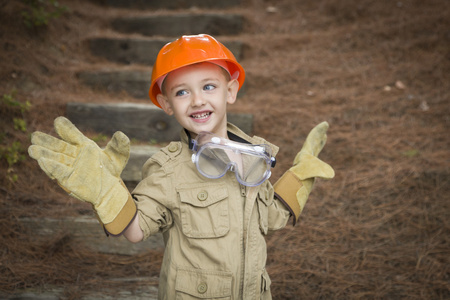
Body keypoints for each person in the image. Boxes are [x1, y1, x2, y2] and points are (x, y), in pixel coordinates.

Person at [28, 34, 334, 299]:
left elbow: (270, 217)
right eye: (182, 92)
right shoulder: (168, 170)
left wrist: (301, 176)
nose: (198, 100)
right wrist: (105, 190)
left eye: (209, 86)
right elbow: (135, 231)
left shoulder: (253, 157)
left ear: (231, 90)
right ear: (166, 104)